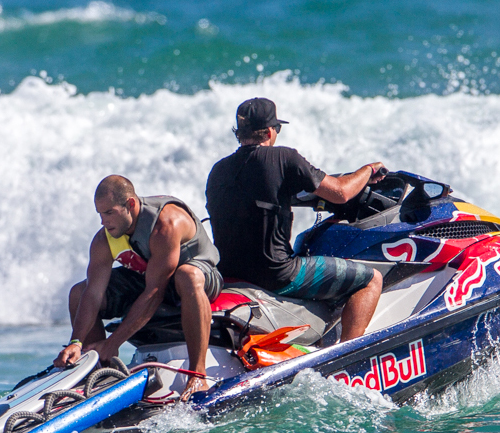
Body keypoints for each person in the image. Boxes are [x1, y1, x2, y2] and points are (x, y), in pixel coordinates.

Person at [205, 97, 385, 342]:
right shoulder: (284, 158)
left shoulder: (218, 170)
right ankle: (347, 355)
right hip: (277, 274)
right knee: (372, 279)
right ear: (270, 131)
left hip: (230, 272)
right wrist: (368, 170)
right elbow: (341, 192)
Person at [54, 175, 224, 398]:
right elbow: (93, 293)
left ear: (130, 205)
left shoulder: (165, 224)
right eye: (100, 214)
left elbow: (154, 293)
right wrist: (76, 341)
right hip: (150, 277)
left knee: (187, 275)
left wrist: (113, 341)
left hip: (198, 277)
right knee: (78, 292)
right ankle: (104, 374)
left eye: (109, 212)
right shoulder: (104, 238)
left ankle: (197, 375)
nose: (103, 222)